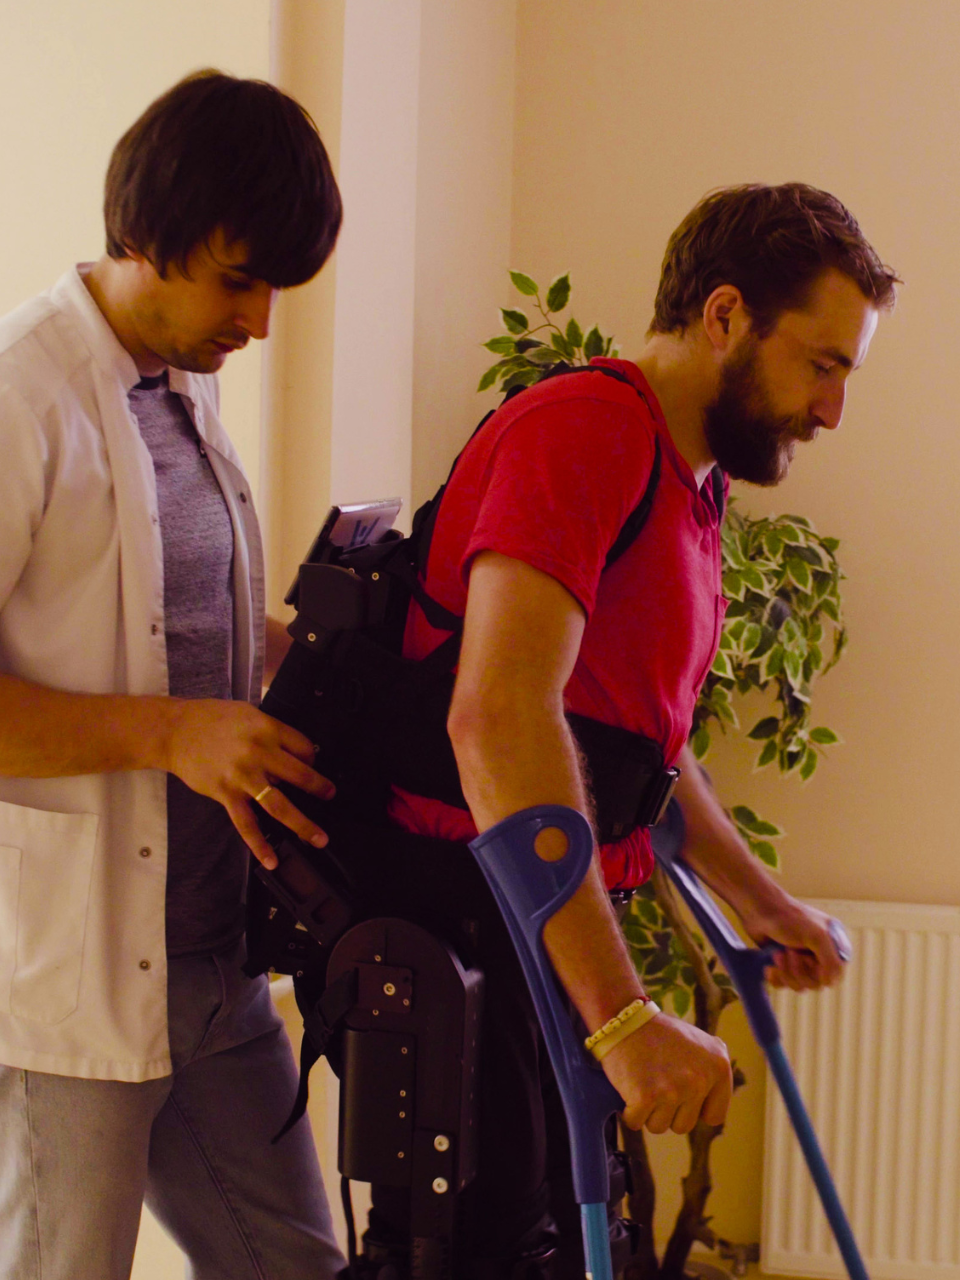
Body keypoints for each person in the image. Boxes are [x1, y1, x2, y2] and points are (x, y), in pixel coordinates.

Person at [357, 183, 899, 1276]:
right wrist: (621, 1018)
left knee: (593, 1239)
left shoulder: (689, 478)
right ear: (726, 314)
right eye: (822, 364)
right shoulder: (585, 429)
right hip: (475, 926)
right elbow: (498, 716)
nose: (834, 410)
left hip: (549, 934)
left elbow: (638, 745)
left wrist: (763, 902)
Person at [0, 71, 348, 1280]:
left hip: (213, 958)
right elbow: (156, 705)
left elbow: (155, 617)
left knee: (299, 1265)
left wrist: (282, 651)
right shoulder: (21, 392)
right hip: (74, 972)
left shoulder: (182, 379)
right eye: (239, 280)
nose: (260, 322)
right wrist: (169, 731)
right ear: (148, 232)